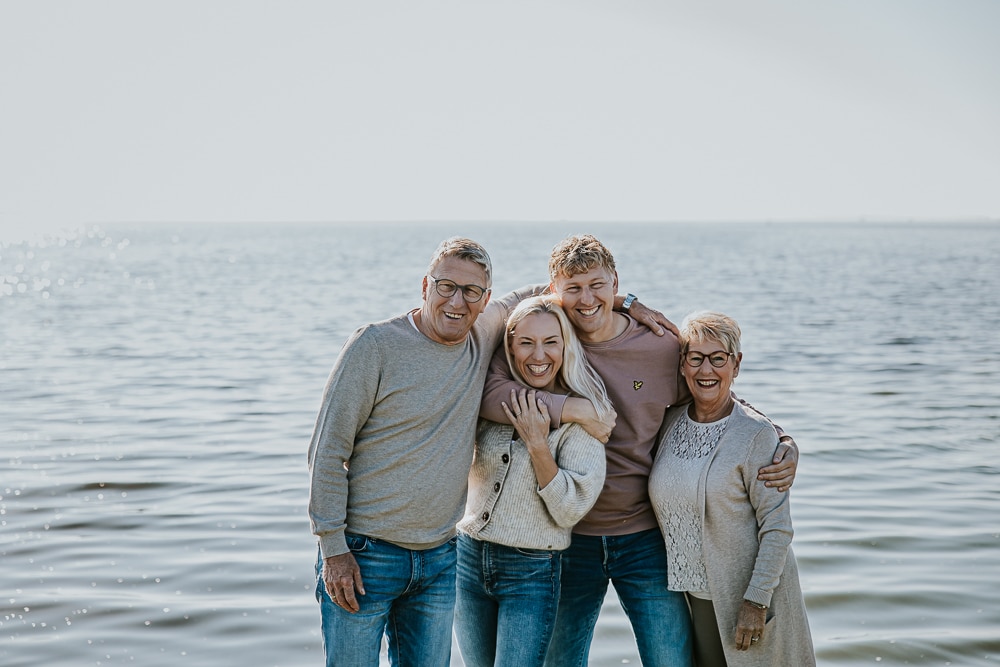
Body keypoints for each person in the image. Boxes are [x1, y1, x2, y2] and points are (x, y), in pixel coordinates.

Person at [480, 234, 799, 667]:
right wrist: (573, 408)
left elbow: (710, 392)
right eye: (572, 289)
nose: (587, 300)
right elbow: (491, 393)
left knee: (671, 659)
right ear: (554, 291)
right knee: (559, 660)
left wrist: (777, 435)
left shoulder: (660, 347)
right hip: (567, 538)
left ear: (616, 284)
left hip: (644, 535)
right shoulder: (546, 340)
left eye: (599, 286)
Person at [307, 237, 531, 666]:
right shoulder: (374, 345)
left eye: (471, 292)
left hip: (441, 558)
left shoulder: (481, 335)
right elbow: (327, 451)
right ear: (425, 286)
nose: (457, 301)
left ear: (485, 301)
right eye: (446, 286)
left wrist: (626, 302)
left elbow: (549, 291)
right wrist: (332, 548)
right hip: (364, 556)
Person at [455, 296, 615, 667]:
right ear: (510, 345)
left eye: (550, 342)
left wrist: (539, 447)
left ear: (565, 346)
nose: (538, 355)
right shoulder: (493, 400)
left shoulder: (583, 419)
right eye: (526, 342)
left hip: (530, 569)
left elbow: (569, 510)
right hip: (467, 557)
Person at [649, 311, 815, 665]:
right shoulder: (669, 421)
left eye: (718, 358)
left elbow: (777, 527)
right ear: (683, 364)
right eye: (695, 358)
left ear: (735, 364)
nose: (705, 370)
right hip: (687, 598)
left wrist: (756, 600)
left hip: (743, 598)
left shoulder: (755, 435)